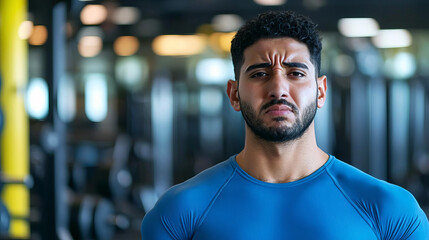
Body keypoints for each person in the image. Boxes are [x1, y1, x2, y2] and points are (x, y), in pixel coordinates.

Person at [141, 11, 429, 239]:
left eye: (295, 73)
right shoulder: (180, 212)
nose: (278, 88)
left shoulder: (391, 211)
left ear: (320, 91)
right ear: (234, 94)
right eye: (259, 74)